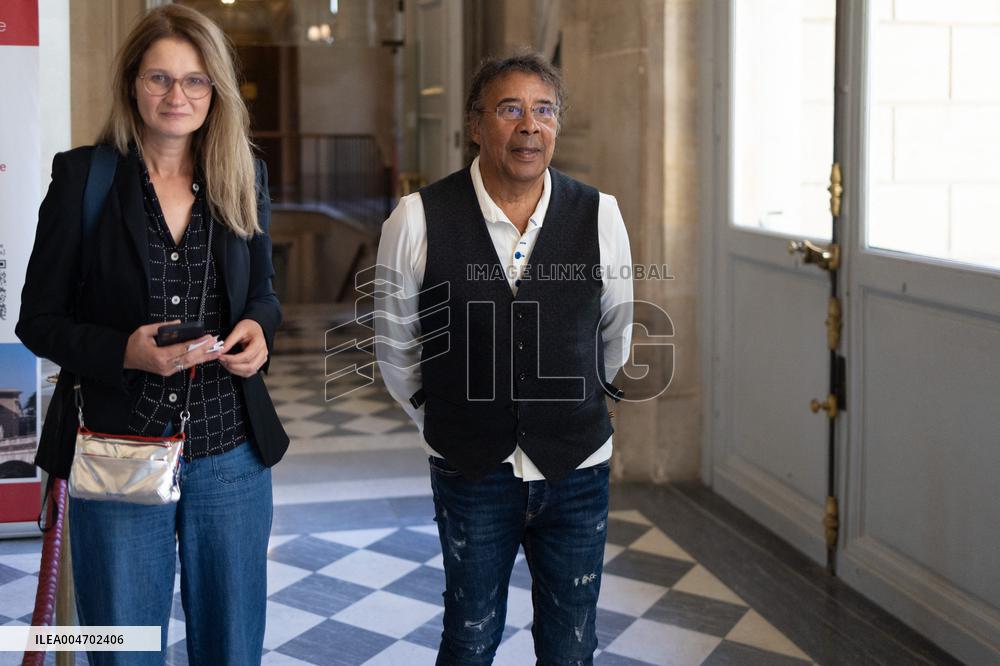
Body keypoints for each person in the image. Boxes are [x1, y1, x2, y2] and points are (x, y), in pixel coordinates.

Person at [17, 5, 287, 664]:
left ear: (215, 90)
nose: (177, 96)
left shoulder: (242, 174)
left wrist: (258, 329)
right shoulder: (84, 177)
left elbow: (263, 294)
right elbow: (37, 319)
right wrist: (124, 352)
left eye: (195, 81)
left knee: (233, 648)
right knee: (123, 648)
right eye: (160, 78)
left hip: (229, 454)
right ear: (133, 83)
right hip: (118, 450)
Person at [375, 52, 634, 664]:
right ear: (475, 125)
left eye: (544, 110)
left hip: (578, 466)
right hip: (471, 471)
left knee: (572, 643)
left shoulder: (600, 214)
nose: (529, 126)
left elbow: (618, 329)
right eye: (510, 109)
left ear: (557, 125)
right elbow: (395, 345)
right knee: (469, 636)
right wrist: (443, 418)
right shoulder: (417, 218)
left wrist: (573, 403)